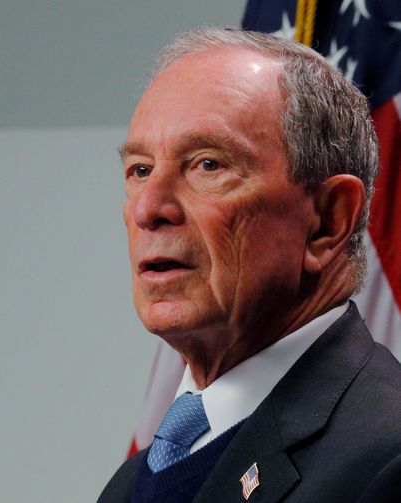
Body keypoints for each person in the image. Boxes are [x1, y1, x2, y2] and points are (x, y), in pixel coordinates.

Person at [98, 27, 401, 503]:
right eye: (139, 170)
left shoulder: (386, 460)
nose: (147, 208)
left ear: (328, 220)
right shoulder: (129, 485)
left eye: (207, 165)